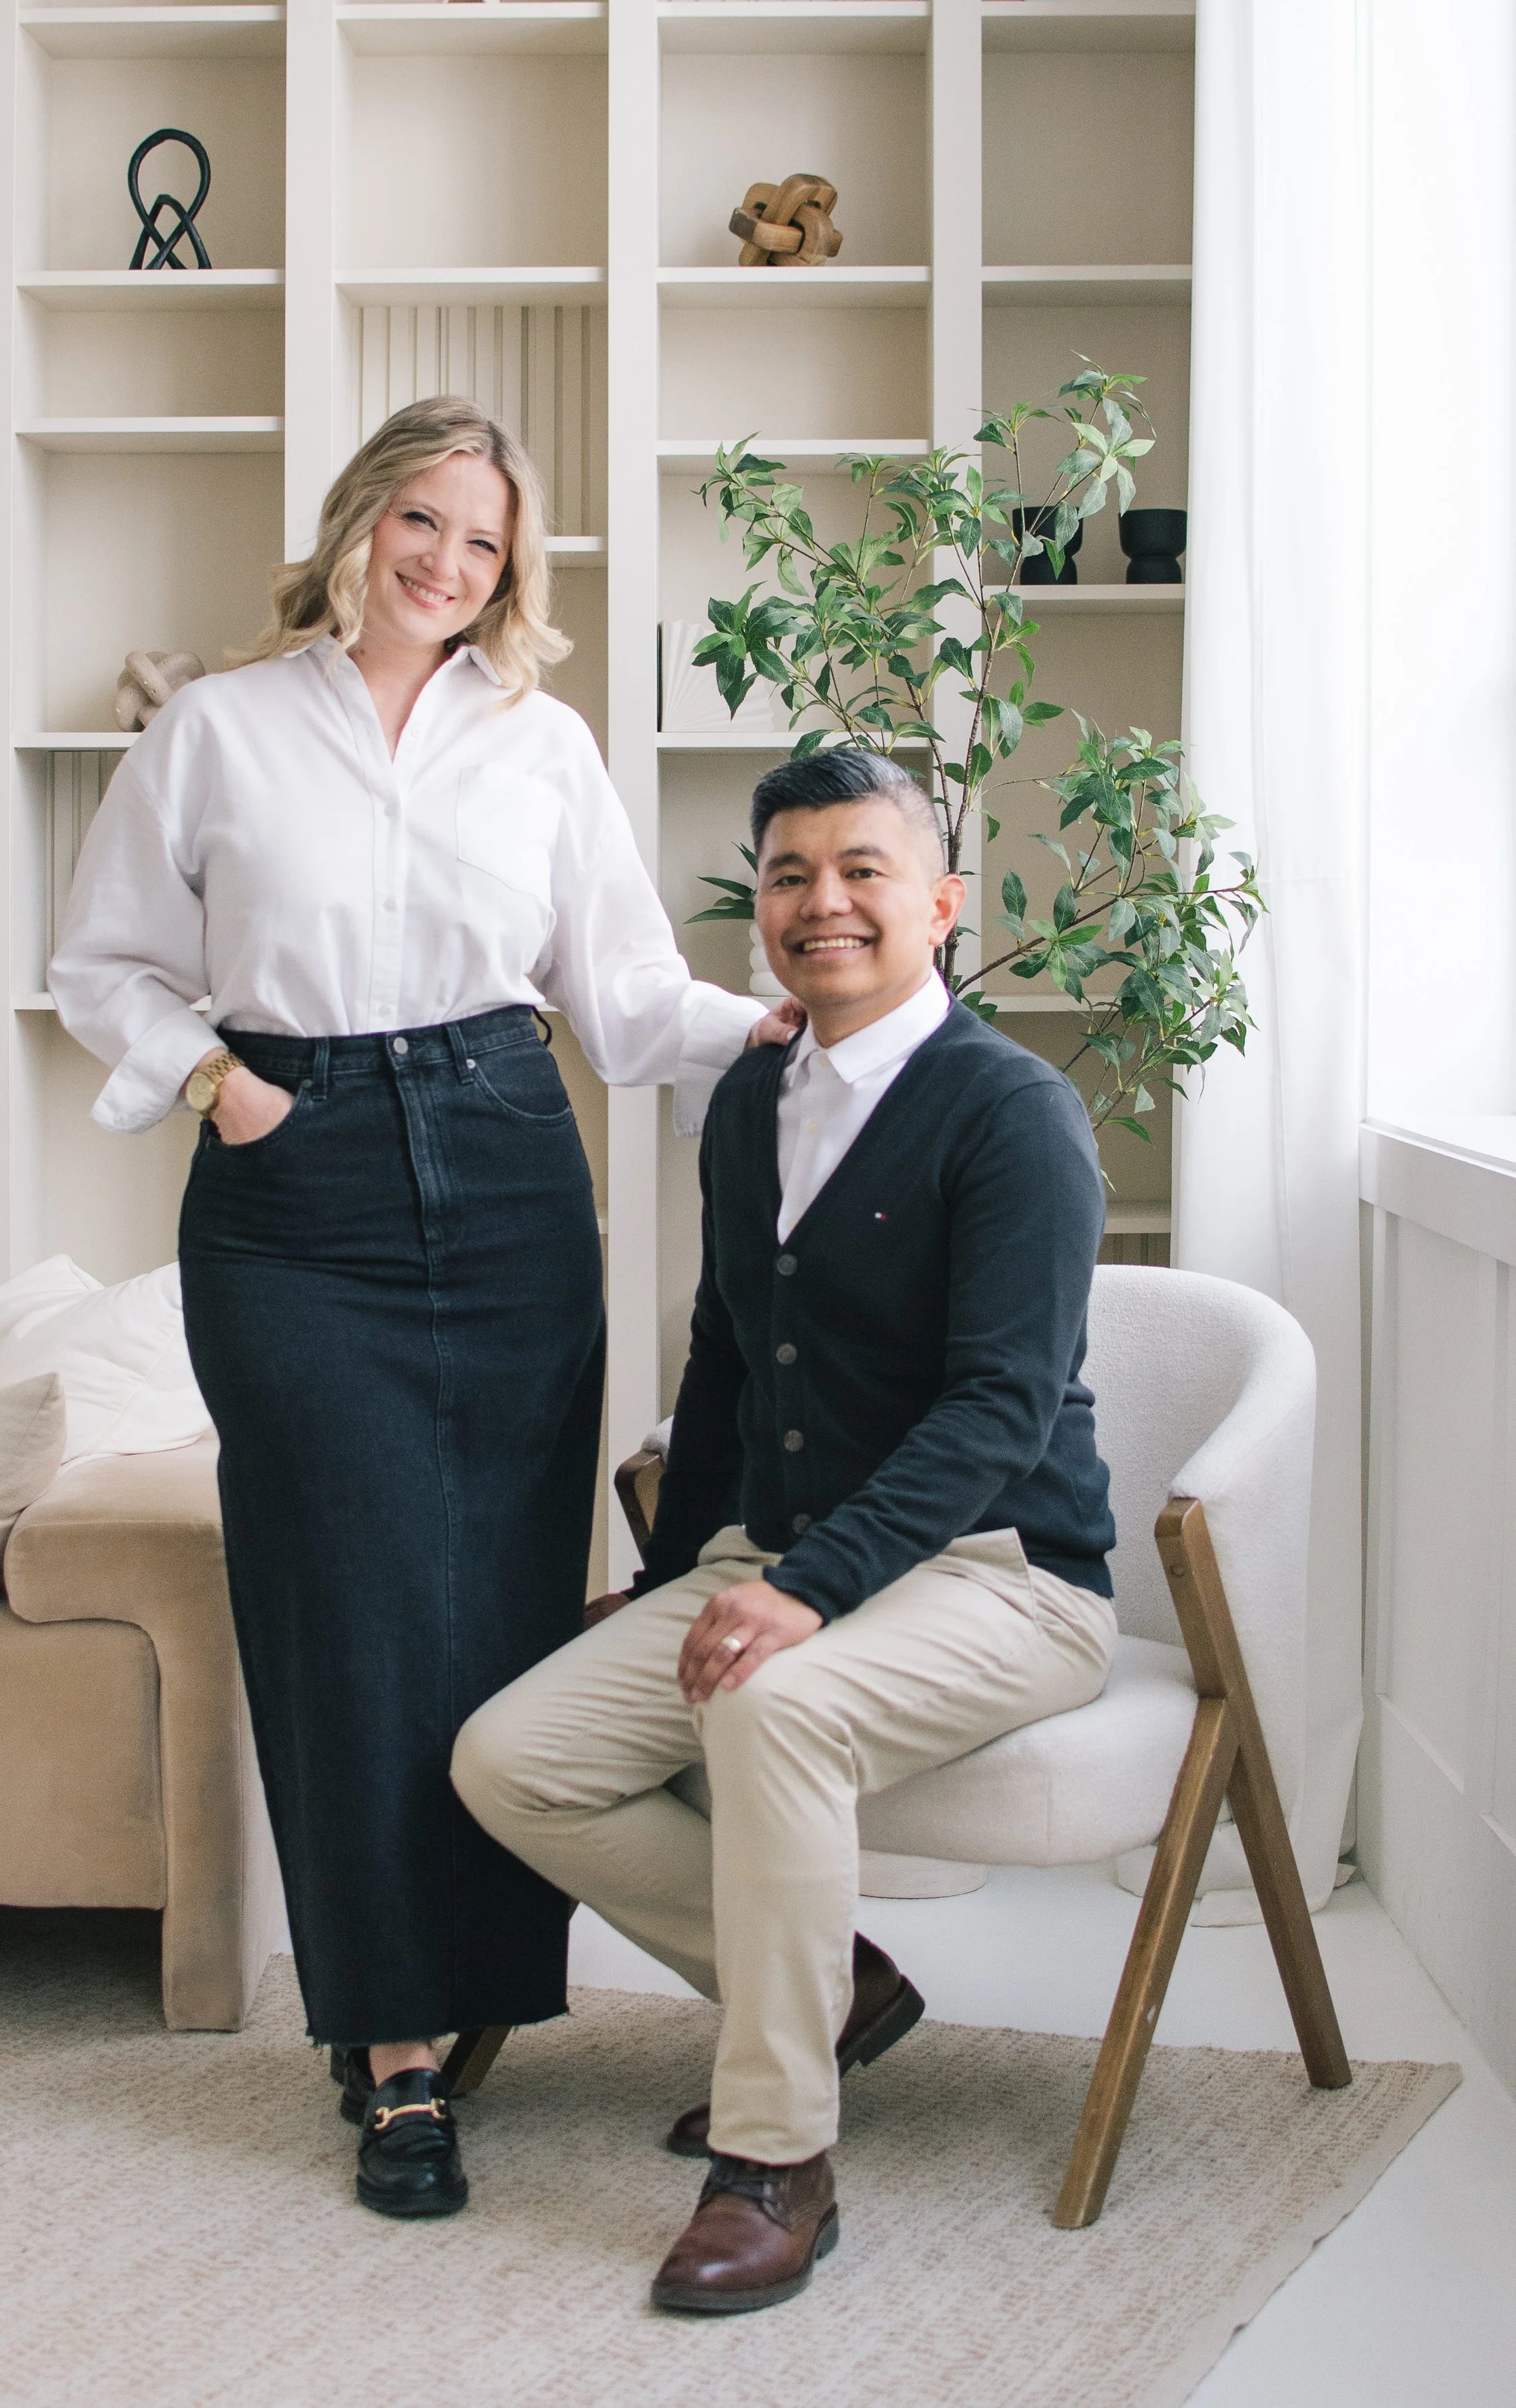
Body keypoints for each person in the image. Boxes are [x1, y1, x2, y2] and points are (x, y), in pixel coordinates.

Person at [48, 396, 785, 2221]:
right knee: (341, 1601)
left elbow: (616, 991)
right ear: (362, 514)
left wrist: (770, 1028)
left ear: (509, 570)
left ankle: (476, 2004)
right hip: (293, 1193)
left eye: (483, 541)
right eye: (423, 520)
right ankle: (383, 2054)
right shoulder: (217, 726)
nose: (446, 562)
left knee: (494, 1604)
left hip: (505, 1157)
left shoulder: (540, 743)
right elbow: (101, 961)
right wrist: (217, 1079)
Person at [453, 745, 1119, 2312]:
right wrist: (682, 1574)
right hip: (789, 1553)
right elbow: (731, 1357)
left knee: (767, 1705)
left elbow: (999, 1409)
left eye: (863, 871)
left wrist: (802, 1591)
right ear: (756, 905)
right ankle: (834, 1998)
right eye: (787, 875)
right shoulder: (750, 1094)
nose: (823, 904)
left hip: (999, 1573)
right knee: (510, 1759)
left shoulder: (1013, 1115)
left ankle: (774, 2163)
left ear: (939, 905)